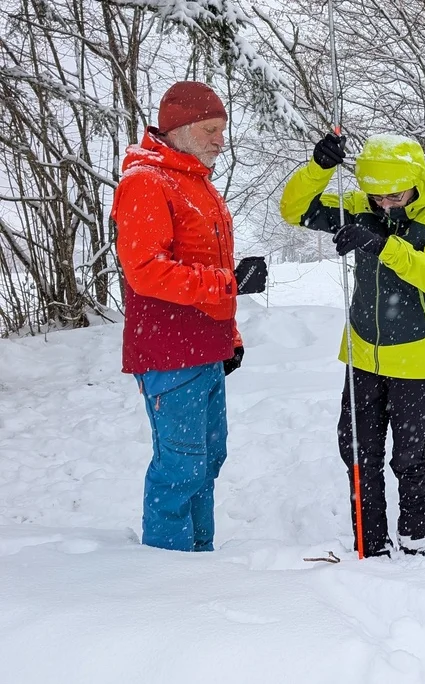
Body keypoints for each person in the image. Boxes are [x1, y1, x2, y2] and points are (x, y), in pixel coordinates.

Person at [279, 132, 425, 558]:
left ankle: (415, 542)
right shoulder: (359, 207)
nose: (384, 205)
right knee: (359, 452)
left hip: (417, 359)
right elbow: (294, 210)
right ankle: (369, 542)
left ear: (417, 182)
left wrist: (383, 246)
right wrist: (319, 169)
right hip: (362, 354)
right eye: (377, 196)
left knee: (409, 456)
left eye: (394, 196)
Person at [114, 81, 249, 552]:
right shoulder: (146, 182)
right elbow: (146, 270)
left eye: (222, 130)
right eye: (211, 130)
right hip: (169, 351)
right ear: (180, 128)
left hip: (205, 349)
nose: (220, 140)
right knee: (181, 468)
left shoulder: (198, 184)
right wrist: (229, 284)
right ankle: (167, 572)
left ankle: (199, 560)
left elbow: (211, 266)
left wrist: (230, 336)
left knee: (208, 460)